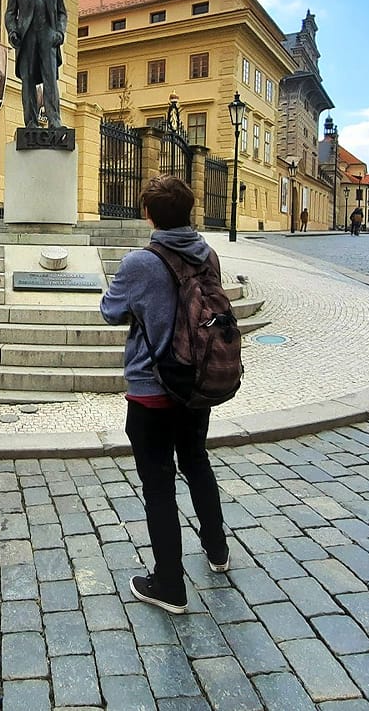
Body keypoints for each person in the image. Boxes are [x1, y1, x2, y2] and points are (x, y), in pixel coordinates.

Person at [100, 175, 228, 614]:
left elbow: (110, 311)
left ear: (148, 214)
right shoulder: (207, 253)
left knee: (158, 485)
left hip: (152, 388)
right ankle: (218, 551)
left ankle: (169, 585)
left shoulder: (140, 261)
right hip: (196, 383)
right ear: (190, 211)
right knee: (196, 460)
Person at [4, 0, 67, 129]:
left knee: (50, 79)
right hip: (27, 34)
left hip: (48, 33)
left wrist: (60, 32)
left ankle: (54, 121)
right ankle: (30, 122)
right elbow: (10, 12)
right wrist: (13, 31)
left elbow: (62, 12)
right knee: (28, 80)